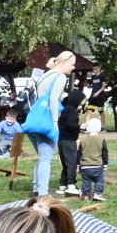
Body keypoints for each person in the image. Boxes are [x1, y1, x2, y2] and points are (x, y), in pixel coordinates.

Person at [22, 51, 73, 199]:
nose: (73, 67)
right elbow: (53, 100)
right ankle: (43, 194)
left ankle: (36, 188)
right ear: (64, 62)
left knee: (42, 157)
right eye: (72, 64)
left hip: (33, 121)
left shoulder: (45, 74)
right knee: (46, 158)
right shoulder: (60, 76)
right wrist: (55, 122)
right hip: (46, 122)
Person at [77, 116, 109, 201]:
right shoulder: (101, 139)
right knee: (99, 181)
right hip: (97, 166)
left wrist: (77, 165)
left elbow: (79, 153)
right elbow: (105, 152)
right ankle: (97, 193)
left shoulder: (82, 140)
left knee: (86, 181)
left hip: (85, 166)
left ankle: (86, 195)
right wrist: (105, 164)